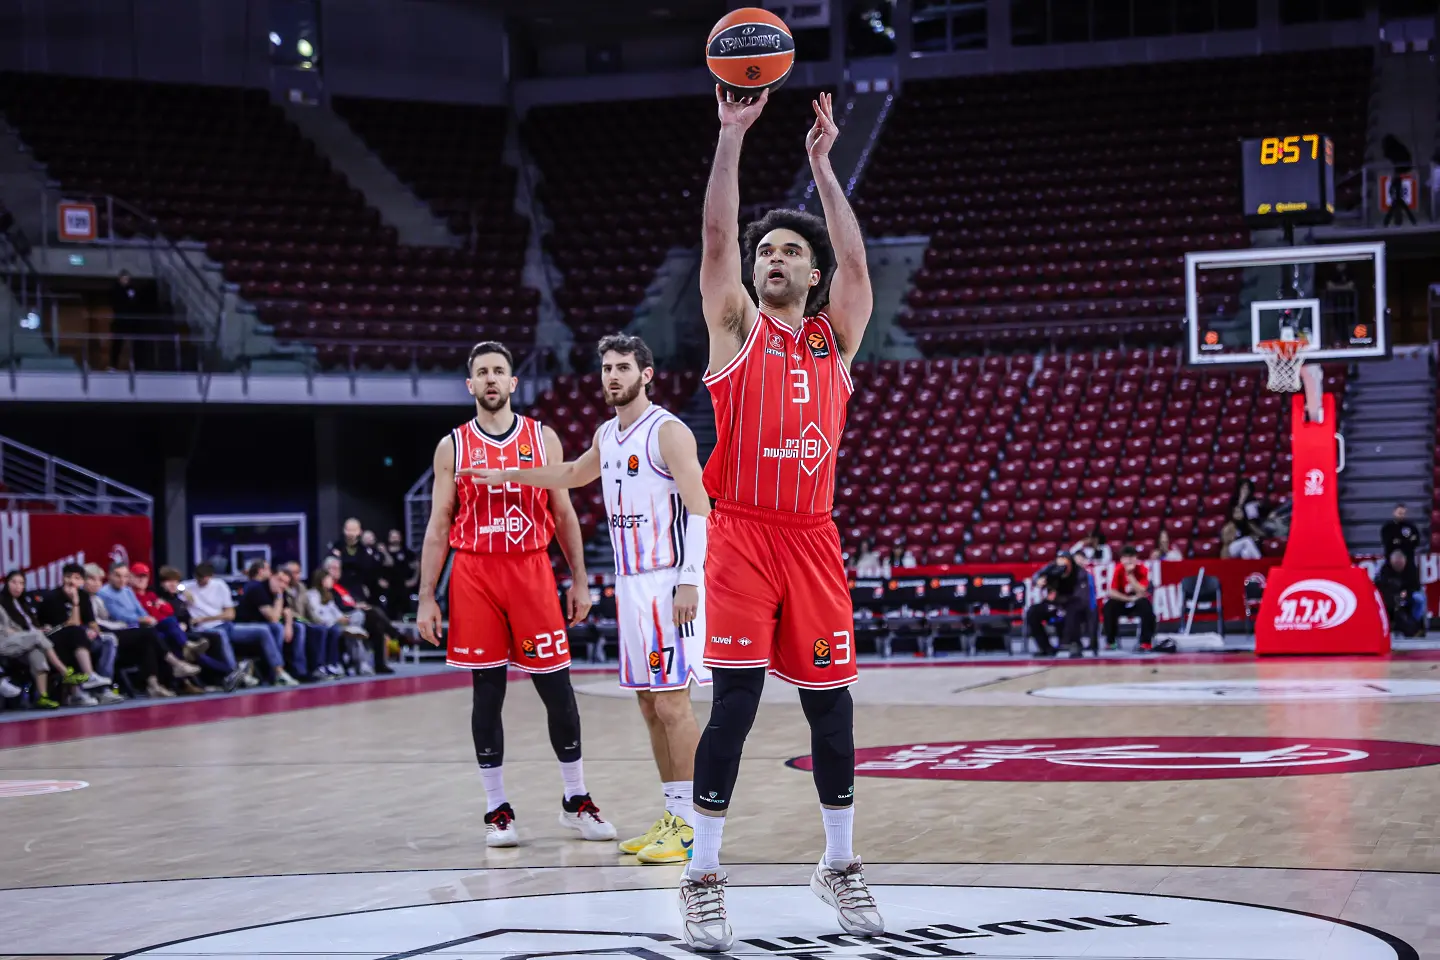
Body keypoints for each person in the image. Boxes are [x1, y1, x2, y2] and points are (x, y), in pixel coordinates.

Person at [681, 87, 883, 949]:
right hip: (741, 535)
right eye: (767, 249)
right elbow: (717, 239)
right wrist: (732, 135)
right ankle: (703, 877)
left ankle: (838, 864)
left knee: (831, 713)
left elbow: (860, 267)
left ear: (811, 272)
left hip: (813, 540)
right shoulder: (735, 330)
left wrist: (822, 166)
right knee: (735, 704)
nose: (771, 257)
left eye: (789, 250)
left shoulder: (834, 339)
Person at [469, 334, 712, 865]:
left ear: (646, 374)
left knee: (673, 703)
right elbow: (573, 474)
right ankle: (673, 814)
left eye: (623, 367)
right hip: (629, 586)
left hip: (668, 580)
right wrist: (510, 471)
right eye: (606, 369)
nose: (612, 377)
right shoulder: (608, 434)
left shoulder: (667, 432)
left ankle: (694, 824)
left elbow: (700, 506)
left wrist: (691, 578)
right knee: (649, 705)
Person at [416, 340, 612, 849]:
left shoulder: (541, 437)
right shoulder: (452, 447)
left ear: (512, 382)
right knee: (488, 692)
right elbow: (439, 526)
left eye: (499, 371)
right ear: (470, 385)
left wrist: (581, 578)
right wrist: (426, 596)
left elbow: (564, 513)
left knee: (557, 688)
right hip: (475, 573)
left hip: (530, 569)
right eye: (481, 372)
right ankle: (496, 809)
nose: (491, 379)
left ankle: (576, 799)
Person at [181, 562, 296, 686]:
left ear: (211, 576)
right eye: (199, 577)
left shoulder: (220, 585)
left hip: (225, 625)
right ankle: (237, 674)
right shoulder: (186, 587)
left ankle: (278, 672)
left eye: (205, 577)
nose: (202, 580)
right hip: (204, 629)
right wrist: (181, 591)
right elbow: (173, 588)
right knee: (221, 634)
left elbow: (230, 615)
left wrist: (204, 618)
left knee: (264, 630)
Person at [1, 570, 88, 708]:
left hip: (24, 641)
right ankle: (65, 672)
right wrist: (31, 632)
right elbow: (6, 629)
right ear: (6, 584)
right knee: (37, 636)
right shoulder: (1, 604)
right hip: (5, 642)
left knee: (37, 652)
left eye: (21, 583)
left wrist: (39, 628)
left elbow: (28, 626)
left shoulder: (23, 604)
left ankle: (42, 697)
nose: (17, 586)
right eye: (14, 582)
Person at [36, 563, 115, 705]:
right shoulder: (52, 597)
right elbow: (72, 624)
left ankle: (102, 689)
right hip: (54, 640)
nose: (72, 581)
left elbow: (91, 622)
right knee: (76, 634)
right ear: (62, 578)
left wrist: (94, 631)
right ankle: (85, 681)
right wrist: (75, 603)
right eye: (68, 577)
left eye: (76, 578)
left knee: (108, 640)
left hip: (79, 637)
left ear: (81, 581)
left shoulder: (84, 596)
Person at [1026, 550, 1088, 658]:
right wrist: (1039, 580)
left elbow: (1081, 595)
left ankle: (1074, 644)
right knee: (1033, 612)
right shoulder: (1051, 568)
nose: (1062, 563)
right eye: (1059, 559)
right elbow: (1037, 576)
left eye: (1065, 560)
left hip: (1072, 601)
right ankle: (1045, 647)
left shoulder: (1078, 572)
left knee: (1073, 611)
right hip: (1054, 603)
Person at [1103, 546, 1157, 652]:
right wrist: (1128, 599)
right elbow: (1112, 592)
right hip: (1124, 601)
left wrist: (1129, 574)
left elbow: (1142, 591)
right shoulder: (1118, 569)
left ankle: (1145, 642)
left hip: (1138, 601)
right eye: (1125, 557)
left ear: (1136, 558)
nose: (1128, 560)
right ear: (1121, 559)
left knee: (1146, 606)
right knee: (1109, 606)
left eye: (1131, 557)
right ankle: (1111, 641)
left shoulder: (1143, 569)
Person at [1376, 550, 1426, 637]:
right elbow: (1382, 586)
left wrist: (1407, 592)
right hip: (1392, 596)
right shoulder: (1385, 570)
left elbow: (1416, 586)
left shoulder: (1411, 569)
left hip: (1409, 594)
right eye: (1396, 563)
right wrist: (1396, 594)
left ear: (1405, 561)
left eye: (1400, 563)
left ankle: (1415, 623)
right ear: (1391, 561)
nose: (1398, 565)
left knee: (1420, 598)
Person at [330, 518, 383, 600]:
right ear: (344, 530)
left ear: (360, 531)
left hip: (359, 588)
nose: (350, 533)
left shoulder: (364, 549)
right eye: (348, 530)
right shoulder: (337, 546)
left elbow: (370, 569)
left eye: (354, 530)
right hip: (340, 587)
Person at [382, 529, 417, 617]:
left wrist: (414, 579)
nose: (394, 539)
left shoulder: (407, 553)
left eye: (396, 536)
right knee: (389, 612)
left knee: (405, 611)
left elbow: (417, 566)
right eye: (392, 537)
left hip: (403, 585)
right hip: (388, 586)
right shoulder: (383, 552)